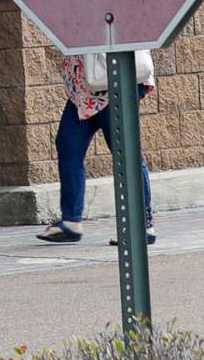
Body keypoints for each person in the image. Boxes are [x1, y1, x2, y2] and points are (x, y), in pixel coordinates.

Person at [38, 48, 154, 246]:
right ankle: (71, 222)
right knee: (68, 144)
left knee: (126, 152)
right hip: (83, 91)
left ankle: (142, 224)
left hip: (115, 84)